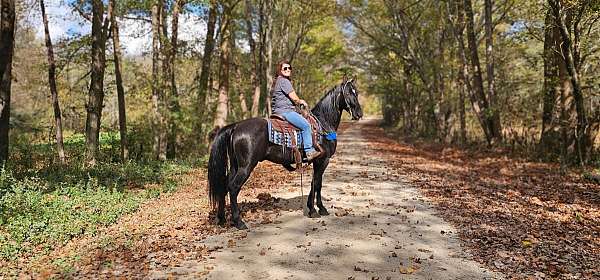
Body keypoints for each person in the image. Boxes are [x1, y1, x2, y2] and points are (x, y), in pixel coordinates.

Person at [271, 60, 321, 162]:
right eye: (285, 68)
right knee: (306, 125)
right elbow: (294, 98)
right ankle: (309, 151)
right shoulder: (284, 81)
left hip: (279, 111)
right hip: (285, 112)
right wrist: (301, 101)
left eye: (289, 68)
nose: (288, 70)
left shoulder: (278, 81)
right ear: (280, 70)